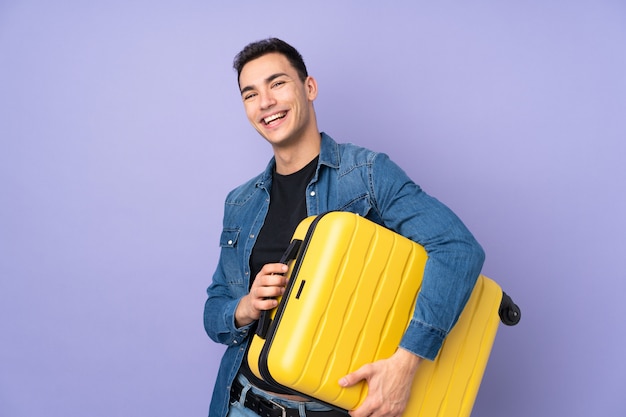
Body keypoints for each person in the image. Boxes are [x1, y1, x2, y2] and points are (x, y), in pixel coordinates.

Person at [204, 38, 485, 417]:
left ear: (309, 88)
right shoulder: (240, 203)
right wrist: (246, 306)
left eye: (277, 83)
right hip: (242, 404)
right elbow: (214, 310)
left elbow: (457, 249)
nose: (265, 102)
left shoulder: (367, 174)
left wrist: (407, 362)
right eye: (250, 94)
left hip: (333, 408)